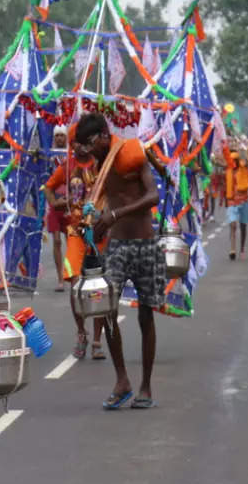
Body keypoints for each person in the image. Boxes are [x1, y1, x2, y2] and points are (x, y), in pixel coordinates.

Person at [74, 114, 163, 409]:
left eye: (89, 145)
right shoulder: (101, 166)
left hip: (145, 244)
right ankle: (122, 379)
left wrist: (116, 215)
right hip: (117, 246)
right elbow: (109, 204)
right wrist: (97, 222)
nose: (87, 152)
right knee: (106, 309)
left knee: (145, 315)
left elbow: (152, 197)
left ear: (102, 136)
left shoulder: (131, 153)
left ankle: (146, 386)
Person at [43, 122, 108, 359]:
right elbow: (48, 188)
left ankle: (98, 340)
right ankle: (81, 332)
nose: (80, 147)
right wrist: (55, 202)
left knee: (99, 287)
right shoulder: (67, 166)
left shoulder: (102, 165)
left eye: (84, 142)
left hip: (99, 233)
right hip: (75, 233)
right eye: (76, 143)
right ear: (72, 144)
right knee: (76, 284)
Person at [44, 125, 70, 292]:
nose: (60, 138)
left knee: (71, 240)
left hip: (69, 203)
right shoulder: (50, 157)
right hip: (54, 204)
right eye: (57, 135)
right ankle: (60, 279)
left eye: (62, 135)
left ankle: (72, 275)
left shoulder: (71, 156)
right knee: (57, 241)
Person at [225, 149, 248, 260]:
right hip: (232, 201)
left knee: (243, 226)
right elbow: (225, 186)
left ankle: (242, 249)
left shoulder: (244, 170)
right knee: (232, 225)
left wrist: (246, 155)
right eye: (231, 160)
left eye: (234, 160)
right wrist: (224, 199)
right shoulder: (228, 172)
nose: (233, 162)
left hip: (244, 200)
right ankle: (232, 249)